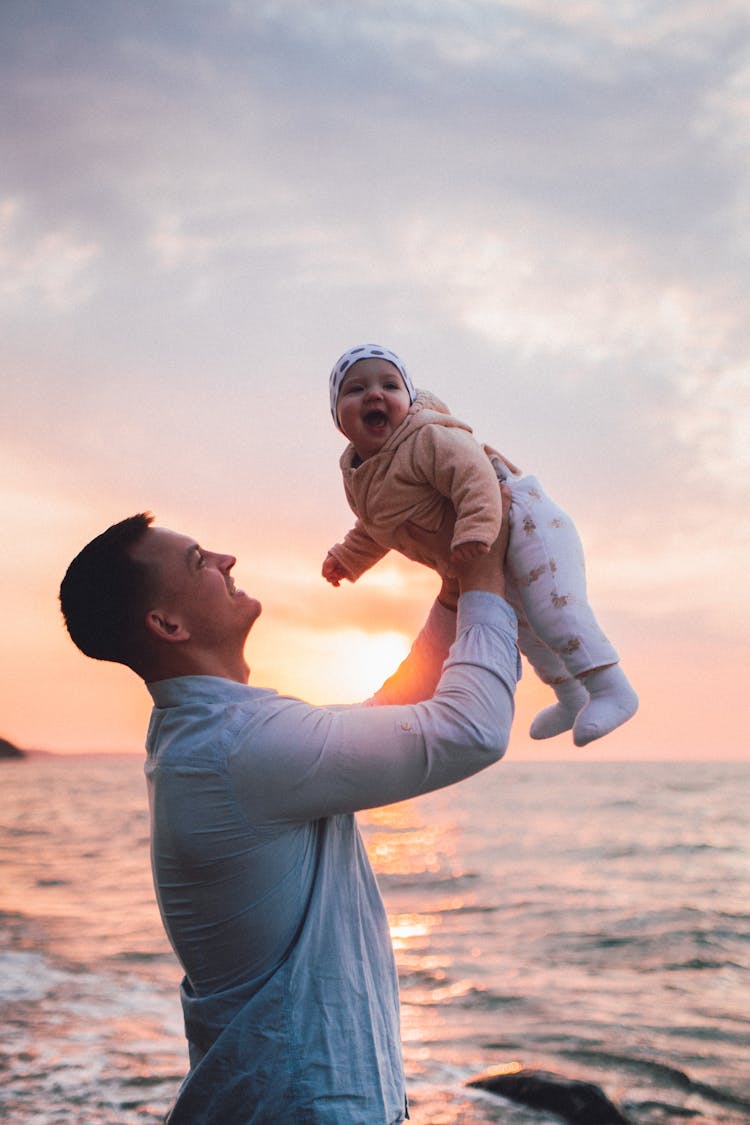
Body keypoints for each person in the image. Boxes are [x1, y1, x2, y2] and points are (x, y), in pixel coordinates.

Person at [59, 501, 519, 1124]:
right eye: (199, 561)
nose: (226, 559)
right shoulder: (238, 747)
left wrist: (454, 593)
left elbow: (390, 712)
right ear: (167, 623)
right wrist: (488, 583)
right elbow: (471, 732)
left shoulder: (212, 739)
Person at [323, 343, 638, 747]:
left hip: (523, 519)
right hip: (488, 547)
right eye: (355, 390)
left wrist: (474, 529)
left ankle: (612, 687)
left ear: (410, 398)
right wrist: (347, 559)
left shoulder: (427, 438)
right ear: (338, 419)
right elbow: (373, 525)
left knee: (553, 610)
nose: (374, 394)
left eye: (390, 384)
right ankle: (571, 695)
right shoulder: (362, 475)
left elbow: (475, 477)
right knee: (526, 630)